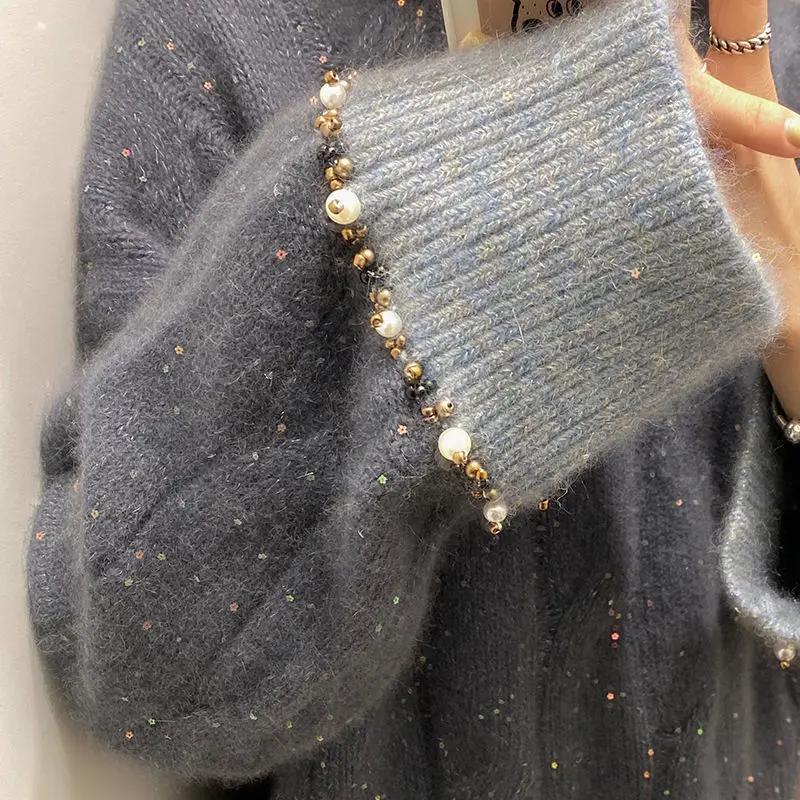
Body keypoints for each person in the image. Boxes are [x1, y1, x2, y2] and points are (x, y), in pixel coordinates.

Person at [25, 0, 800, 796]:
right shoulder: (221, 33)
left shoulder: (763, 32)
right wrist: (522, 158)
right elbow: (148, 658)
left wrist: (792, 329)